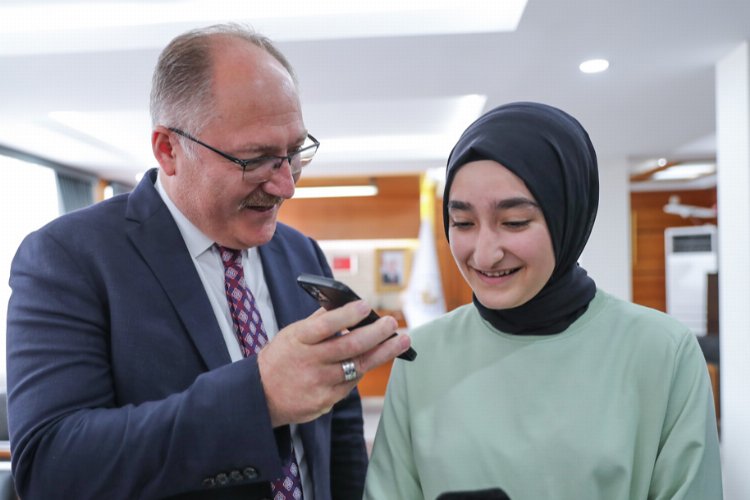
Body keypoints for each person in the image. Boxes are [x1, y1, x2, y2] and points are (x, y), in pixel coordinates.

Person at [6, 24, 411, 500]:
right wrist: (259, 398)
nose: (286, 185)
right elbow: (51, 468)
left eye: (294, 153)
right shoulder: (69, 257)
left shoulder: (301, 252)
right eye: (255, 159)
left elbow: (338, 425)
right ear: (168, 149)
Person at [364, 102, 722, 499]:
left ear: (567, 216)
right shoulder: (421, 355)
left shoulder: (661, 351)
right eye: (463, 223)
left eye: (514, 222)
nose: (484, 254)